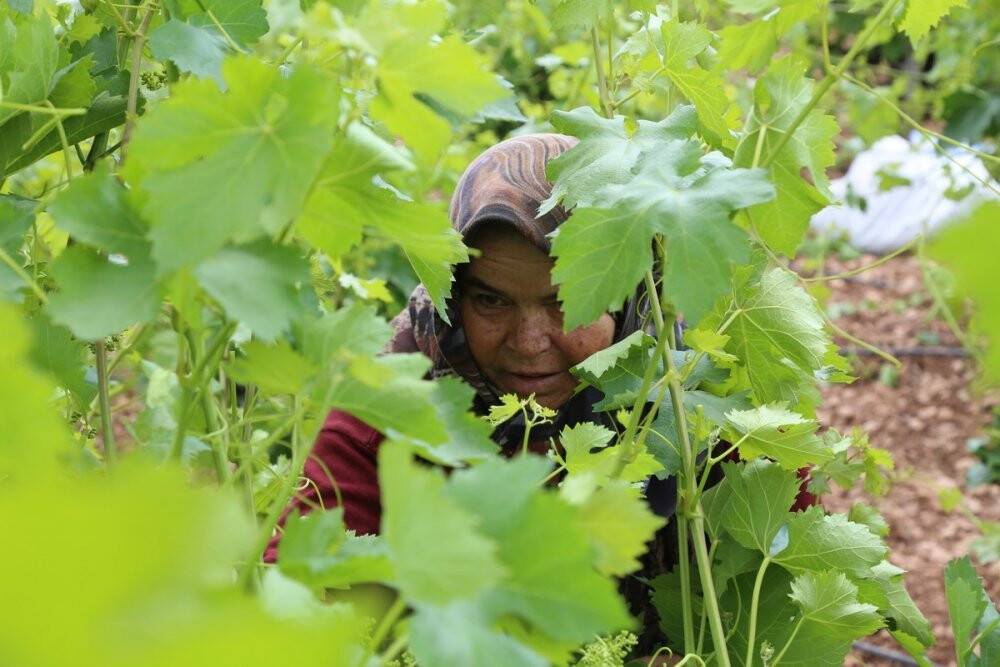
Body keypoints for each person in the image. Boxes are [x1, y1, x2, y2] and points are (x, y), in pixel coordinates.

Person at [263, 133, 814, 642]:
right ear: (452, 298)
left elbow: (797, 579)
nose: (529, 343)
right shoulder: (392, 398)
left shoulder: (696, 389)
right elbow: (293, 594)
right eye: (491, 301)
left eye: (567, 300)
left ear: (629, 295)